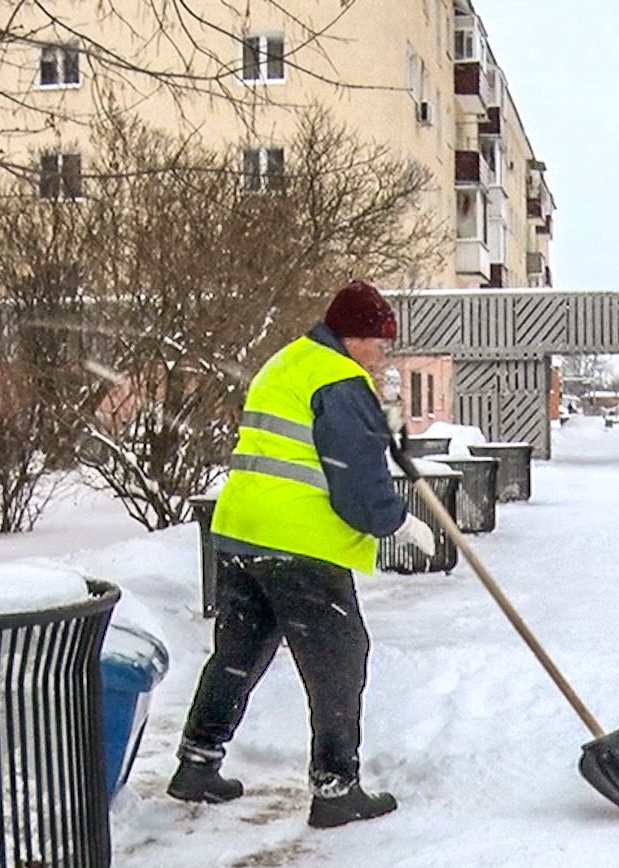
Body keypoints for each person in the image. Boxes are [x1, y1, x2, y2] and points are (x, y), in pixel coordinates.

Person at [169, 281, 436, 829]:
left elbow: (314, 444)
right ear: (352, 337)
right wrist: (396, 520)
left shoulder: (288, 362)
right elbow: (356, 483)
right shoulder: (339, 378)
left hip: (242, 530)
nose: (384, 352)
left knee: (239, 651)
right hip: (298, 543)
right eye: (379, 341)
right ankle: (336, 790)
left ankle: (197, 763)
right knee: (338, 661)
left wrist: (375, 427)